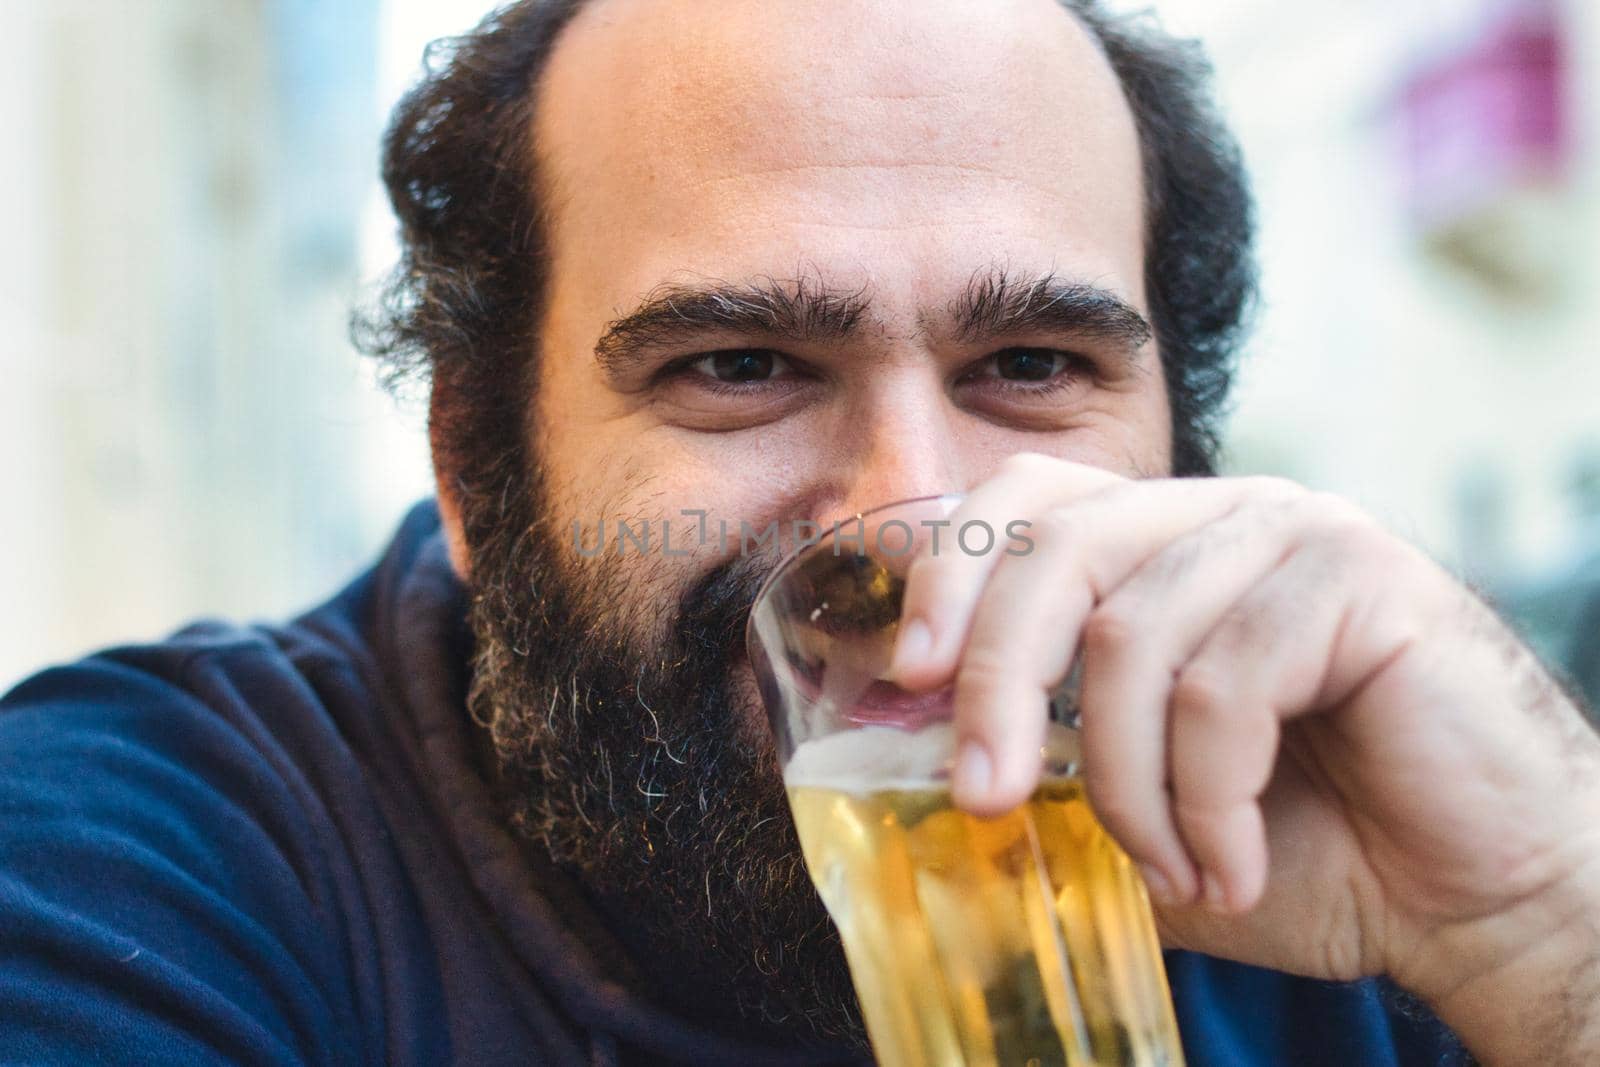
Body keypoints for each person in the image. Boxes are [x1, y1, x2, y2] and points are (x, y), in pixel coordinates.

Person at [2, 0, 1594, 1063]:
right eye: (741, 367)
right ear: (478, 479)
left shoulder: (1357, 862)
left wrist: (1543, 930)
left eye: (1032, 367)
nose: (916, 516)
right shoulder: (143, 865)